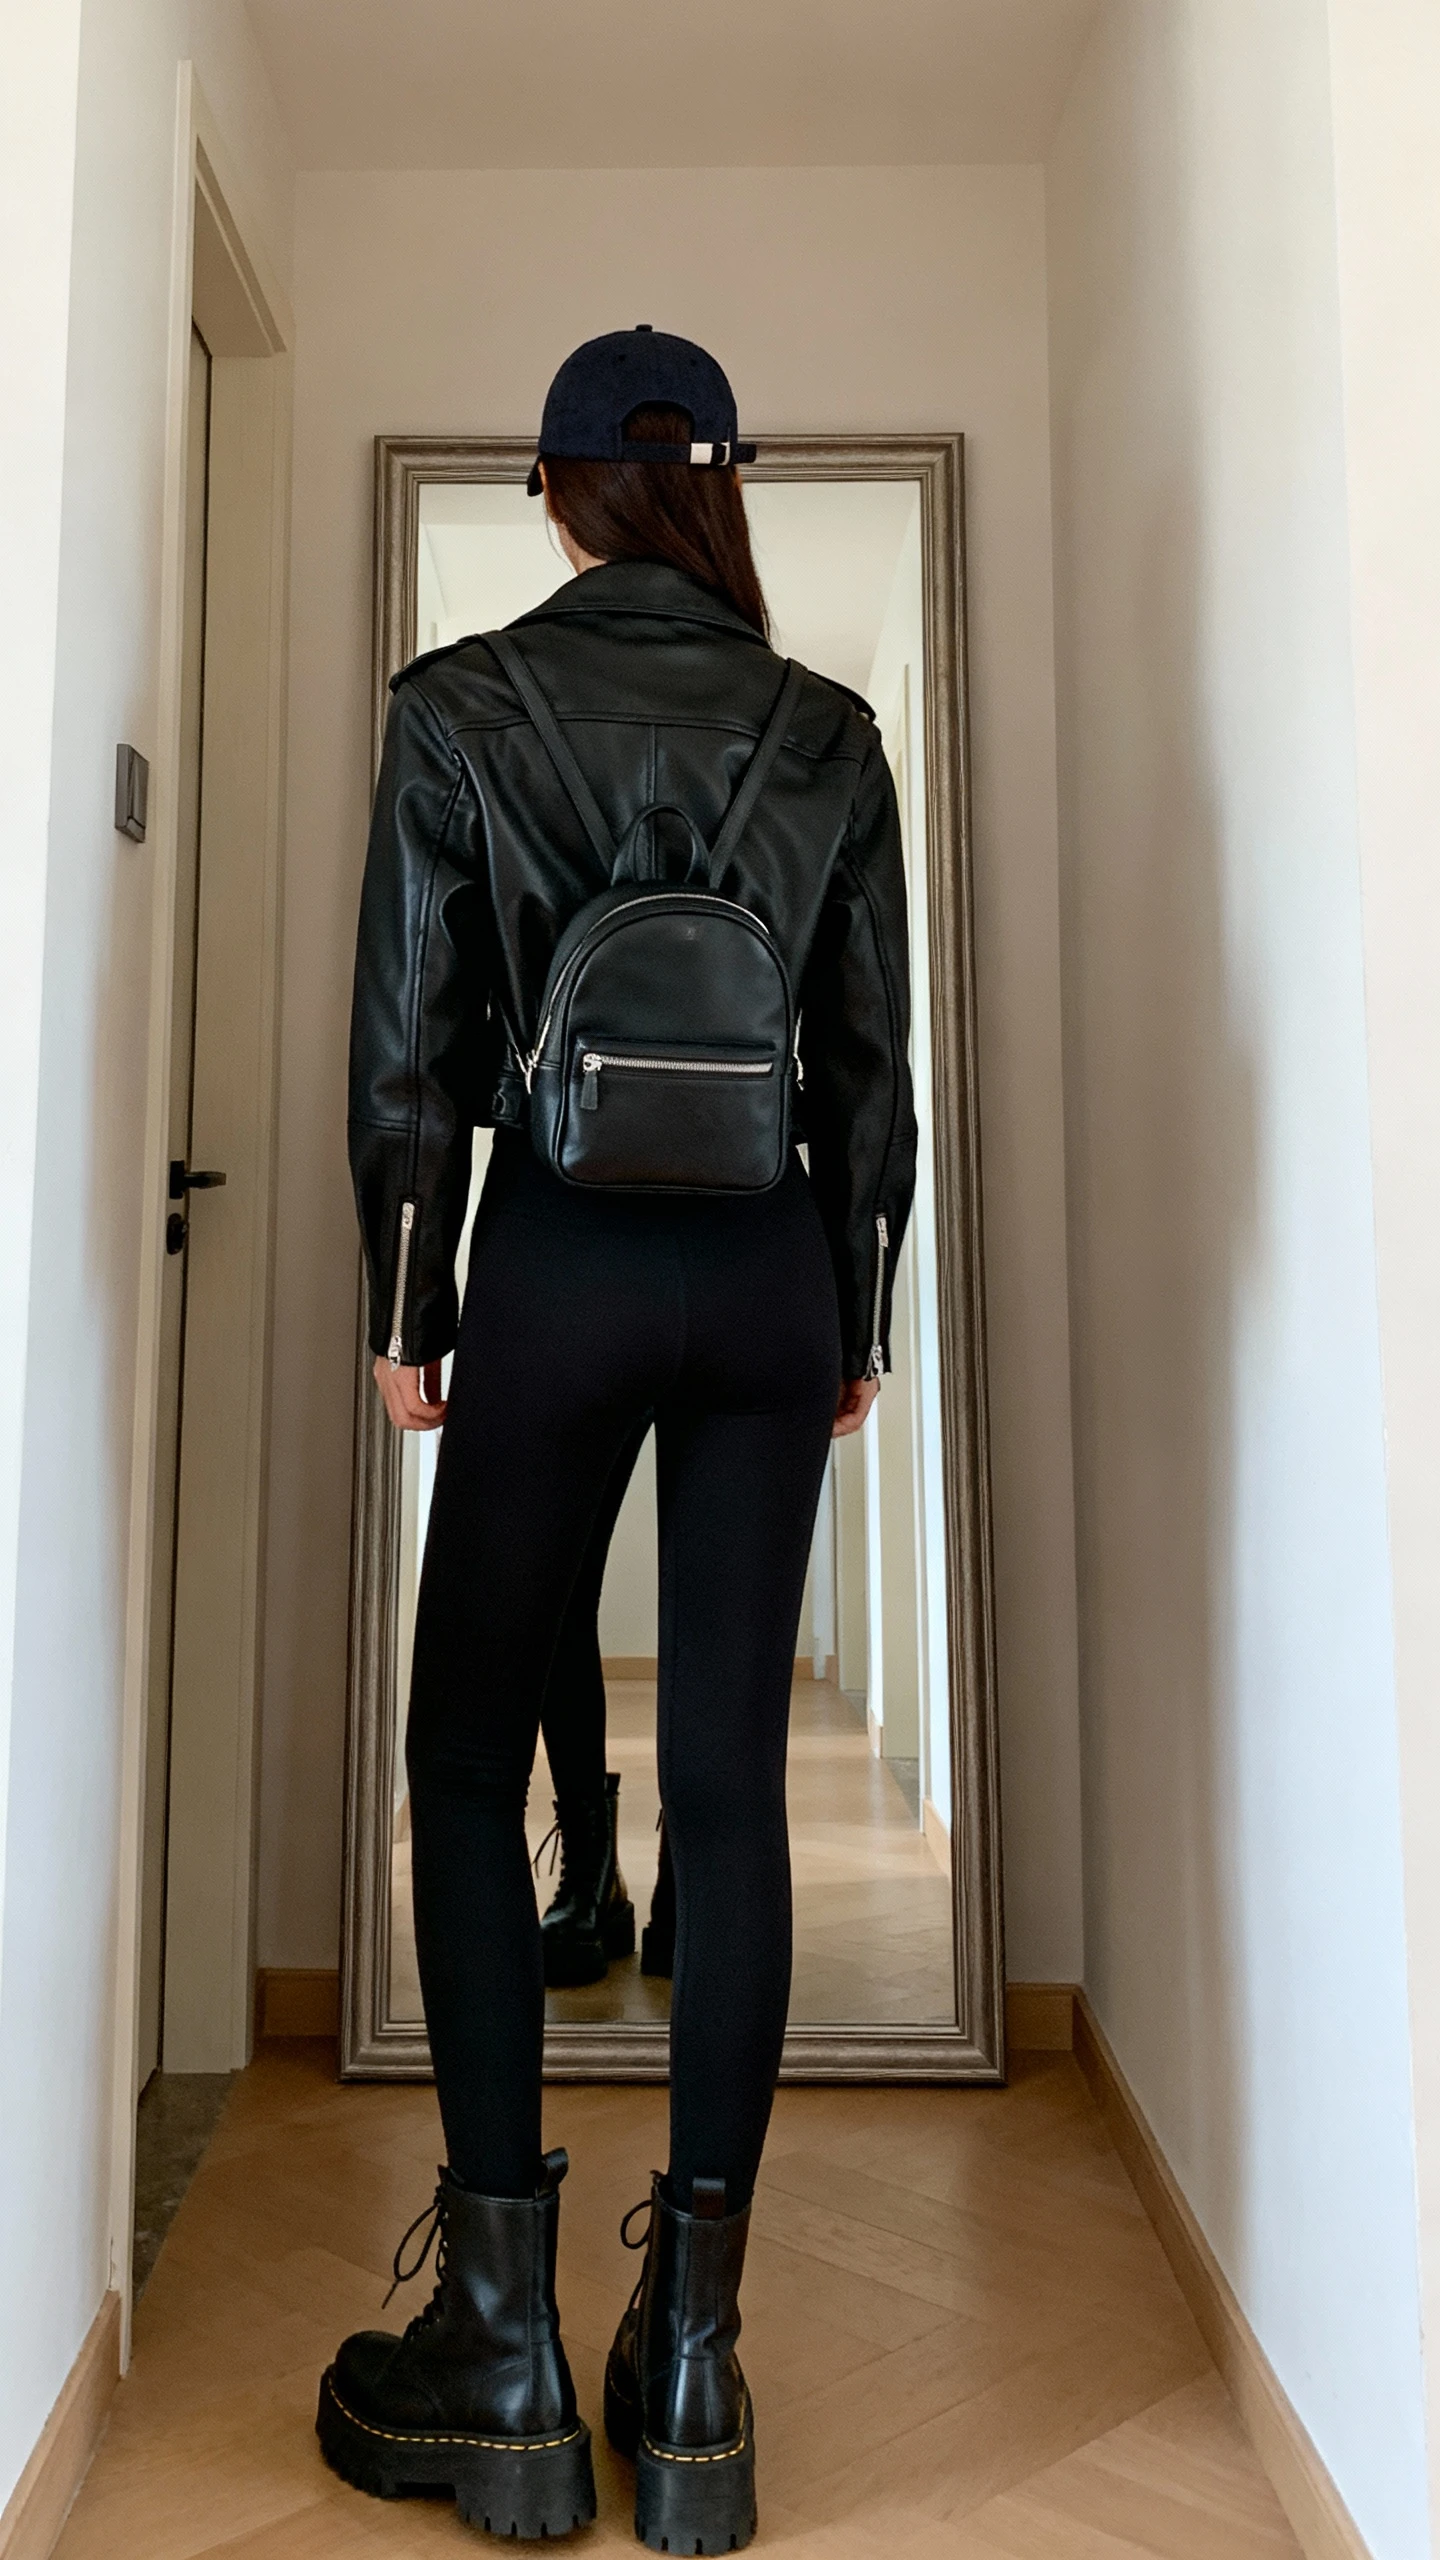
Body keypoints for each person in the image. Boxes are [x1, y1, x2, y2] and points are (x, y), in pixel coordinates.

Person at [319, 325, 917, 2553]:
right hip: (768, 1272)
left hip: (555, 1264)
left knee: (469, 1757)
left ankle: (497, 2350)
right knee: (737, 1786)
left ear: (558, 494)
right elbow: (873, 1066)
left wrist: (411, 1299)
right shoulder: (829, 731)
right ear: (719, 490)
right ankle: (692, 2364)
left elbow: (408, 1041)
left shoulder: (460, 707)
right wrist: (852, 1306)